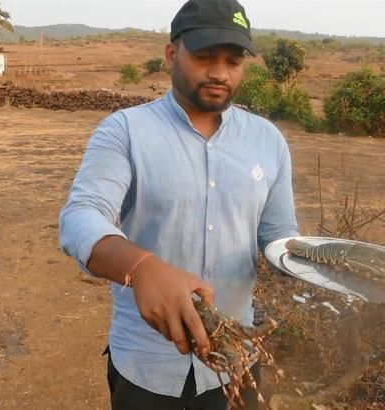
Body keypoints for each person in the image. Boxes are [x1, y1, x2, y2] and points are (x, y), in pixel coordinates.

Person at [59, 0, 298, 408]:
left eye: (234, 61)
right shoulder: (125, 131)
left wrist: (317, 265)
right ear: (172, 54)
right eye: (205, 57)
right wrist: (141, 266)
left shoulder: (268, 141)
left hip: (234, 357)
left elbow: (278, 235)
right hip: (146, 363)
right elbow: (82, 216)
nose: (220, 73)